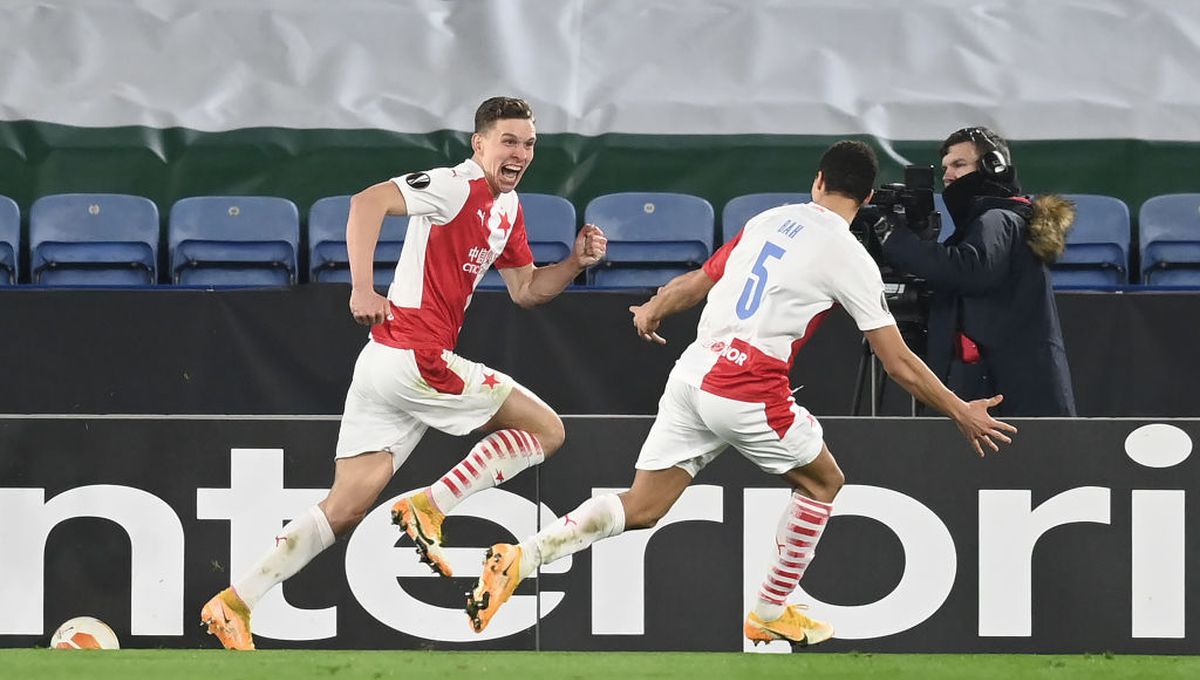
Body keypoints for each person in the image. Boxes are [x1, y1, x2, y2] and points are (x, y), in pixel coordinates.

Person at [464, 140, 1017, 644]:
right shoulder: (850, 256)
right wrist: (958, 411)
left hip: (692, 372)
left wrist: (655, 305)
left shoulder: (770, 219)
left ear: (818, 181)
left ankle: (521, 555)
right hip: (747, 385)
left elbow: (701, 280)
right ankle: (770, 615)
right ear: (867, 196)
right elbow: (898, 363)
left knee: (642, 506)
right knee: (825, 481)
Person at [200, 96, 607, 650]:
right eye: (508, 141)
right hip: (417, 358)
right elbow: (366, 203)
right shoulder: (453, 185)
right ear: (479, 144)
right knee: (548, 431)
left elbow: (527, 290)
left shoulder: (508, 209)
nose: (520, 153)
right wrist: (363, 288)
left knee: (343, 507)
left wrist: (575, 265)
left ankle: (235, 602)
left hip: (385, 364)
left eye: (529, 143)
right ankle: (430, 505)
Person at [877, 126, 1077, 416]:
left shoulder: (998, 220)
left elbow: (968, 270)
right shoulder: (1001, 220)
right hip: (1011, 394)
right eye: (945, 168)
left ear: (993, 167)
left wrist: (896, 241)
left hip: (1002, 399)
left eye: (959, 164)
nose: (948, 176)